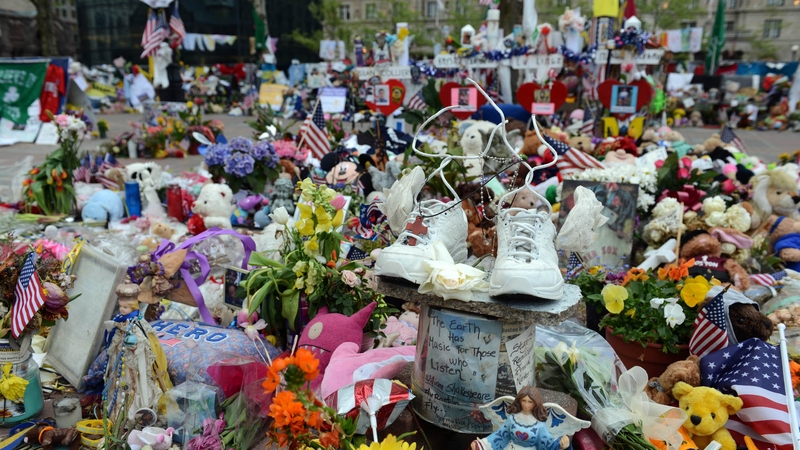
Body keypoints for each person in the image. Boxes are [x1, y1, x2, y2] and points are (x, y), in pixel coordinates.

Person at [470, 387, 570, 450]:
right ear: (519, 400)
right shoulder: (513, 418)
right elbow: (500, 434)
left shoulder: (539, 424)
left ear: (536, 403)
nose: (526, 405)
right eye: (524, 400)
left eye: (530, 402)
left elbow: (546, 442)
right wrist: (483, 444)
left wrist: (560, 445)